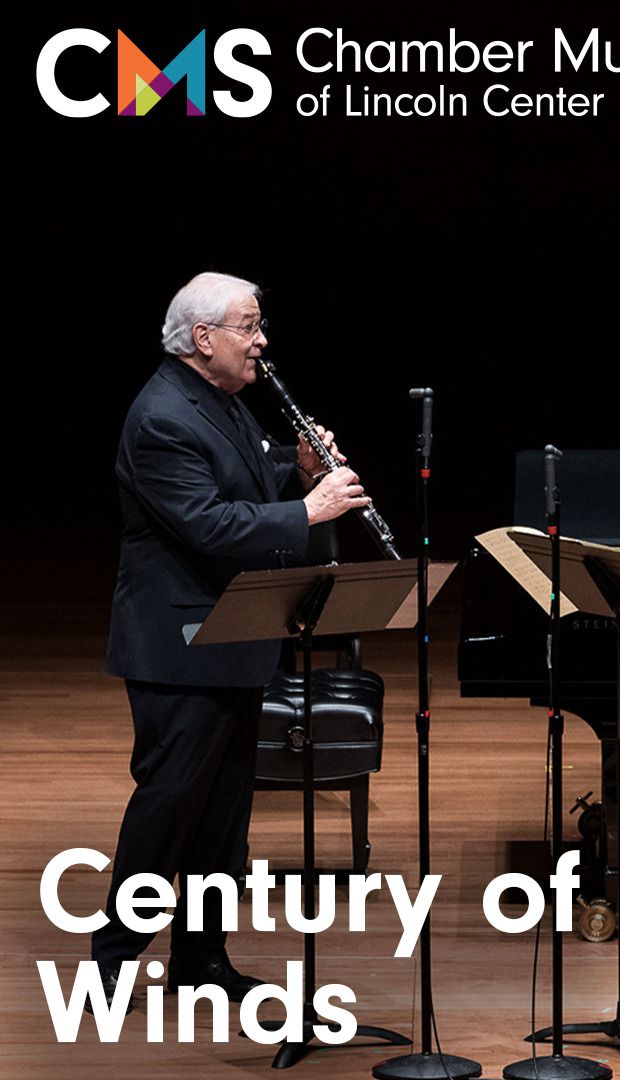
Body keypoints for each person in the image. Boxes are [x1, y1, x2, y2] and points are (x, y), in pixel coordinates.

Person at [93, 272, 369, 1009]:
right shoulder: (160, 418)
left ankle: (201, 958)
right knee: (170, 809)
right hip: (180, 645)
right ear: (202, 337)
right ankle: (111, 960)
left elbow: (247, 473)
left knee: (223, 821)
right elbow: (209, 523)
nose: (261, 341)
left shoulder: (219, 400)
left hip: (237, 637)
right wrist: (309, 510)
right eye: (249, 327)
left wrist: (297, 468)